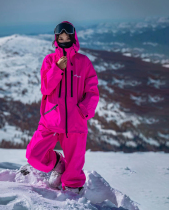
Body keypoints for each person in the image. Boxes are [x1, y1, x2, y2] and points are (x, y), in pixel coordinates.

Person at [25, 21, 99, 195]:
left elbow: (92, 91)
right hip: (51, 120)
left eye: (67, 37)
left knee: (74, 169)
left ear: (74, 39)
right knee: (34, 155)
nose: (64, 39)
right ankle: (58, 162)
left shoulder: (83, 62)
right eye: (61, 37)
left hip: (75, 122)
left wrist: (83, 111)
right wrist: (57, 68)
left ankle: (73, 192)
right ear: (56, 39)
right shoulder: (49, 60)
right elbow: (46, 88)